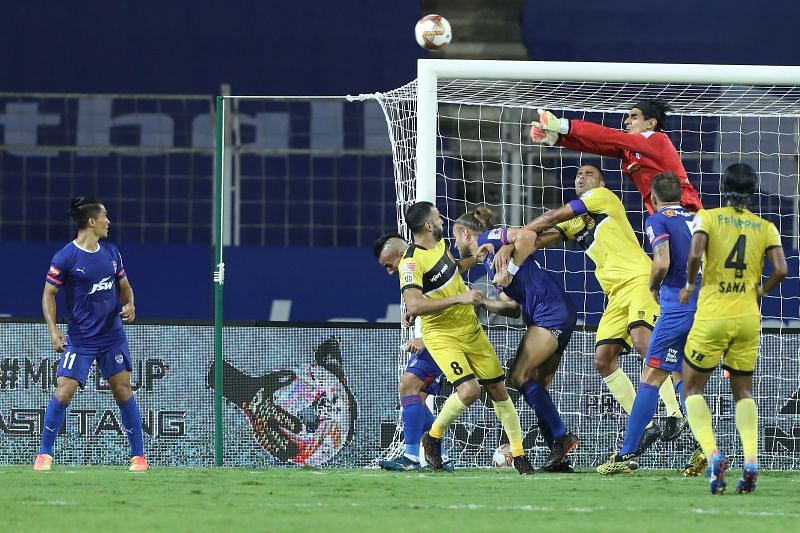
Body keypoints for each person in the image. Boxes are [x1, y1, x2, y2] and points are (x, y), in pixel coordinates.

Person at [494, 165, 687, 454]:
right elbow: (536, 239)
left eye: (588, 174)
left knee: (642, 342)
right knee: (603, 359)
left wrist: (515, 241)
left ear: (601, 182)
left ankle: (674, 414)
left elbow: (550, 218)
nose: (581, 178)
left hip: (638, 280)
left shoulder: (604, 197)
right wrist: (510, 244)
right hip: (614, 294)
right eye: (577, 175)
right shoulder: (577, 223)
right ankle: (644, 424)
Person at [399, 201, 535, 474]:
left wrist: (476, 257)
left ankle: (518, 454)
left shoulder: (439, 248)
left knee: (499, 389)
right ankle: (433, 437)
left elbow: (452, 270)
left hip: (470, 329)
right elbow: (413, 306)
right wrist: (461, 297)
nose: (441, 222)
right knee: (470, 391)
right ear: (428, 225)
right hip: (442, 335)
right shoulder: (411, 261)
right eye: (437, 218)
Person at [679, 163, 787, 495]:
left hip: (713, 315)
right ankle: (751, 460)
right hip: (747, 317)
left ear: (723, 185)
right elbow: (781, 269)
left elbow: (696, 253)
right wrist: (762, 290)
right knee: (744, 392)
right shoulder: (765, 226)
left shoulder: (708, 217)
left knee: (691, 389)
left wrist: (689, 283)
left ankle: (713, 455)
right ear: (753, 189)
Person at [452, 207, 579, 472]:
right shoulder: (488, 264)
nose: (455, 244)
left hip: (549, 312)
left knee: (518, 377)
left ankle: (562, 437)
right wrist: (483, 300)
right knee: (537, 384)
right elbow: (512, 308)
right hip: (548, 313)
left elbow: (528, 236)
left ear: (465, 233)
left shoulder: (493, 238)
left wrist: (509, 267)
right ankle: (559, 458)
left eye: (455, 237)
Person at [34, 197, 147, 472]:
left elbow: (125, 287)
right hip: (82, 339)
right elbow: (49, 294)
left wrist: (130, 304)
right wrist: (53, 329)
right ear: (92, 222)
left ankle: (139, 458)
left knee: (123, 389)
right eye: (105, 216)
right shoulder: (65, 257)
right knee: (64, 390)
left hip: (112, 337)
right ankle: (44, 455)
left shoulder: (112, 253)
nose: (109, 221)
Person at [597, 172, 699, 475]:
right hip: (703, 307)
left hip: (675, 310)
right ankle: (705, 450)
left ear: (652, 197)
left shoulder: (656, 220)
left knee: (651, 377)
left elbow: (663, 261)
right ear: (680, 195)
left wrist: (654, 285)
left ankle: (625, 455)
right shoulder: (697, 219)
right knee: (684, 378)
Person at [530, 99, 702, 214]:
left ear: (651, 123)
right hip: (658, 208)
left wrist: (563, 125)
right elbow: (596, 146)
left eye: (634, 117)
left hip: (683, 205)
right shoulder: (631, 149)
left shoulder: (657, 139)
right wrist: (557, 139)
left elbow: (610, 136)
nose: (626, 121)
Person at [373, 233, 453, 472]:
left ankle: (411, 457)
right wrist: (415, 313)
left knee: (408, 386)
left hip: (446, 337)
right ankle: (441, 457)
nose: (389, 272)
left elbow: (453, 300)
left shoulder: (415, 264)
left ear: (399, 254)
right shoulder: (422, 262)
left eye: (388, 265)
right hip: (442, 335)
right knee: (415, 399)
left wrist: (425, 338)